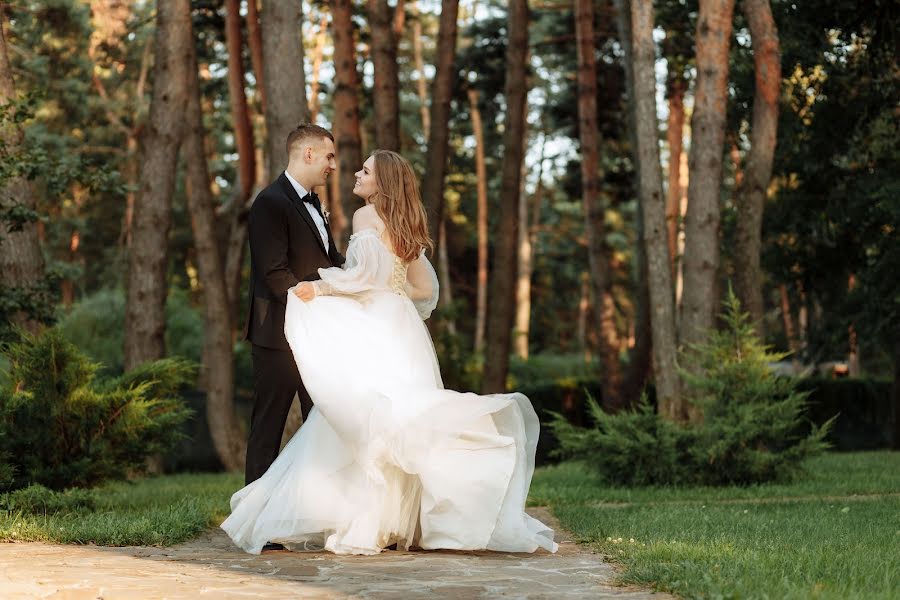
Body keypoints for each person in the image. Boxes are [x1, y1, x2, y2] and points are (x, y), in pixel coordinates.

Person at [222, 150, 557, 556]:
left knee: (372, 417)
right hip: (404, 329)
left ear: (382, 183)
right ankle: (404, 523)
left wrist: (324, 288)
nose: (356, 174)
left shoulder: (366, 216)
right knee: (399, 413)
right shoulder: (407, 224)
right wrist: (389, 292)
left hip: (379, 324)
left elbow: (363, 277)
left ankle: (370, 520)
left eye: (366, 171)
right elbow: (422, 290)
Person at [242, 123, 344, 492]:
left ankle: (317, 511)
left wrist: (368, 275)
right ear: (309, 154)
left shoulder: (315, 204)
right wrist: (320, 299)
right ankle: (257, 519)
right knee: (268, 426)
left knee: (322, 422)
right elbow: (274, 274)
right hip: (278, 336)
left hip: (315, 335)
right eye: (329, 156)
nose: (333, 165)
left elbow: (330, 262)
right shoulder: (270, 202)